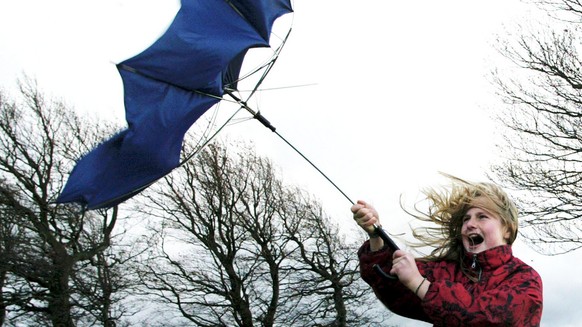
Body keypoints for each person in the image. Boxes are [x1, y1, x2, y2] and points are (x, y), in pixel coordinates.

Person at [351, 175, 543, 326]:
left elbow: (492, 319)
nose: (470, 224)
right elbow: (393, 289)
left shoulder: (525, 278)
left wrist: (420, 285)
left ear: (507, 230)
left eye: (482, 217)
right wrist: (376, 236)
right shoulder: (447, 271)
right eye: (466, 219)